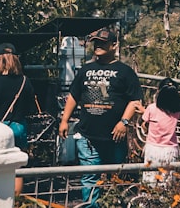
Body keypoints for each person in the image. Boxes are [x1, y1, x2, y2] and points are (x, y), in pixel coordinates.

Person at [58, 28, 144, 208]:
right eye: (96, 42)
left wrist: (124, 122)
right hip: (88, 138)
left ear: (114, 45)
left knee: (117, 178)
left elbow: (135, 101)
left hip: (115, 138)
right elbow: (74, 95)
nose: (98, 45)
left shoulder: (125, 72)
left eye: (103, 42)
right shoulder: (86, 70)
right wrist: (64, 120)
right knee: (90, 179)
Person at [0, 42, 38, 195]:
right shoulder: (25, 81)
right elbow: (31, 108)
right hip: (18, 129)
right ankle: (16, 202)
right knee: (16, 169)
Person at [141, 78, 180, 184]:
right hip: (170, 150)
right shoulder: (177, 111)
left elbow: (144, 124)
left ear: (158, 92)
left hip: (153, 149)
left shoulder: (151, 108)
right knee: (167, 180)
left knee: (149, 179)